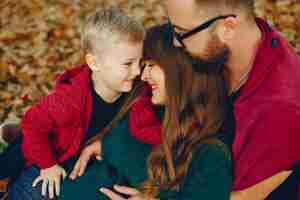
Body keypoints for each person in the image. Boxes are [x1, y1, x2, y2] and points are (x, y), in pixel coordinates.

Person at [60, 24, 232, 200]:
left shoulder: (210, 152)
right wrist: (104, 145)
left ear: (180, 70)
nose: (143, 76)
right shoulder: (146, 108)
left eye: (151, 65)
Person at [165, 0, 300, 199]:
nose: (175, 43)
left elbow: (234, 196)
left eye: (181, 32)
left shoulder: (279, 109)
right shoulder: (247, 41)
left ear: (227, 28)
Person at [7, 7, 145, 200]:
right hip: (51, 155)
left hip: (81, 157)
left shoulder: (132, 89)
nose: (138, 71)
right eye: (128, 63)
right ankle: (16, 146)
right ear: (94, 63)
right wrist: (48, 166)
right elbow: (32, 122)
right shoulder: (69, 100)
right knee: (38, 189)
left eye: (141, 62)